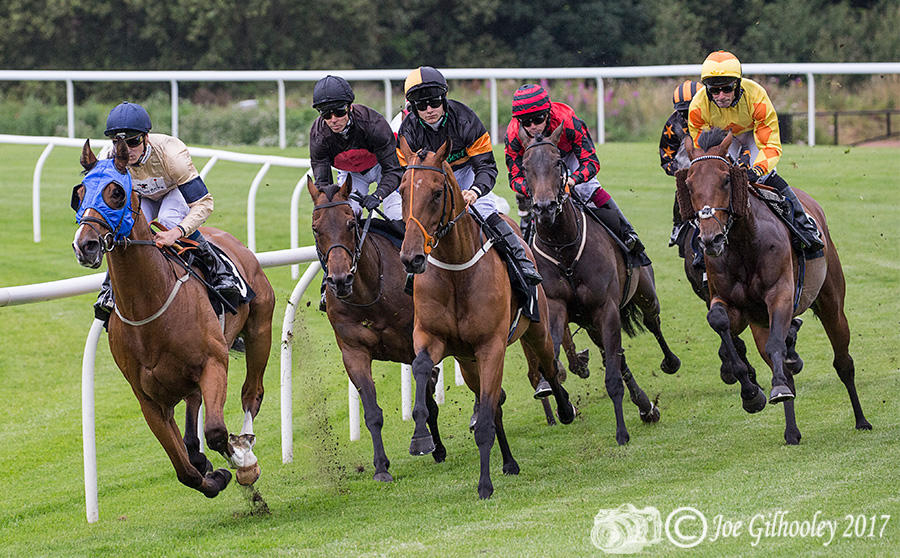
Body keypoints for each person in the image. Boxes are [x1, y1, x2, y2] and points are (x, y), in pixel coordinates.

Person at [94, 101, 241, 323]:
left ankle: (219, 270)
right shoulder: (107, 158)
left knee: (167, 220)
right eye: (118, 143)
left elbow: (204, 203)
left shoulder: (172, 154)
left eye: (133, 142)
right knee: (125, 227)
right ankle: (109, 288)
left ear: (146, 137)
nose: (126, 150)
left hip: (173, 192)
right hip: (141, 197)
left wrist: (177, 232)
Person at [397, 66, 541, 286]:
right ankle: (410, 269)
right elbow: (408, 174)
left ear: (444, 99)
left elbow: (487, 167)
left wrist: (475, 191)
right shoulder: (408, 130)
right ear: (412, 107)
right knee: (416, 214)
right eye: (422, 105)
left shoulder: (465, 119)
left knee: (484, 210)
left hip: (466, 172)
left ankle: (521, 260)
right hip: (428, 178)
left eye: (435, 102)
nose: (429, 109)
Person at [688, 50, 824, 255]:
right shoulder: (698, 106)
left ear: (738, 85)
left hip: (754, 134)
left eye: (726, 89)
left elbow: (770, 145)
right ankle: (695, 238)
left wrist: (757, 170)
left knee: (769, 175)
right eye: (714, 91)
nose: (721, 96)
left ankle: (803, 226)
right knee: (712, 182)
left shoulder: (756, 96)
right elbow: (703, 151)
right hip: (724, 139)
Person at [504, 84, 648, 264]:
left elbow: (591, 161)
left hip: (568, 153)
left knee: (588, 187)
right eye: (526, 122)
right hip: (535, 162)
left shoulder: (568, 120)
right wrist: (532, 188)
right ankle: (524, 248)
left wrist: (572, 180)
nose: (533, 127)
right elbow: (515, 177)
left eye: (538, 119)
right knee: (531, 197)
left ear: (548, 113)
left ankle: (627, 232)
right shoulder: (512, 135)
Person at [309, 75, 404, 220]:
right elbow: (323, 184)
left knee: (395, 215)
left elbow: (392, 170)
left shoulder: (374, 125)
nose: (334, 120)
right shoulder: (319, 135)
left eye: (339, 112)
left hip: (381, 168)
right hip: (351, 174)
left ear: (350, 107)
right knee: (345, 218)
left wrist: (378, 195)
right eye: (326, 114)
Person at [659, 80, 700, 255]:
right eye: (681, 112)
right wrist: (678, 171)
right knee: (681, 192)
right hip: (686, 169)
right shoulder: (672, 124)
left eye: (689, 111)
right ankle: (678, 225)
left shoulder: (715, 117)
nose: (685, 116)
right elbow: (666, 156)